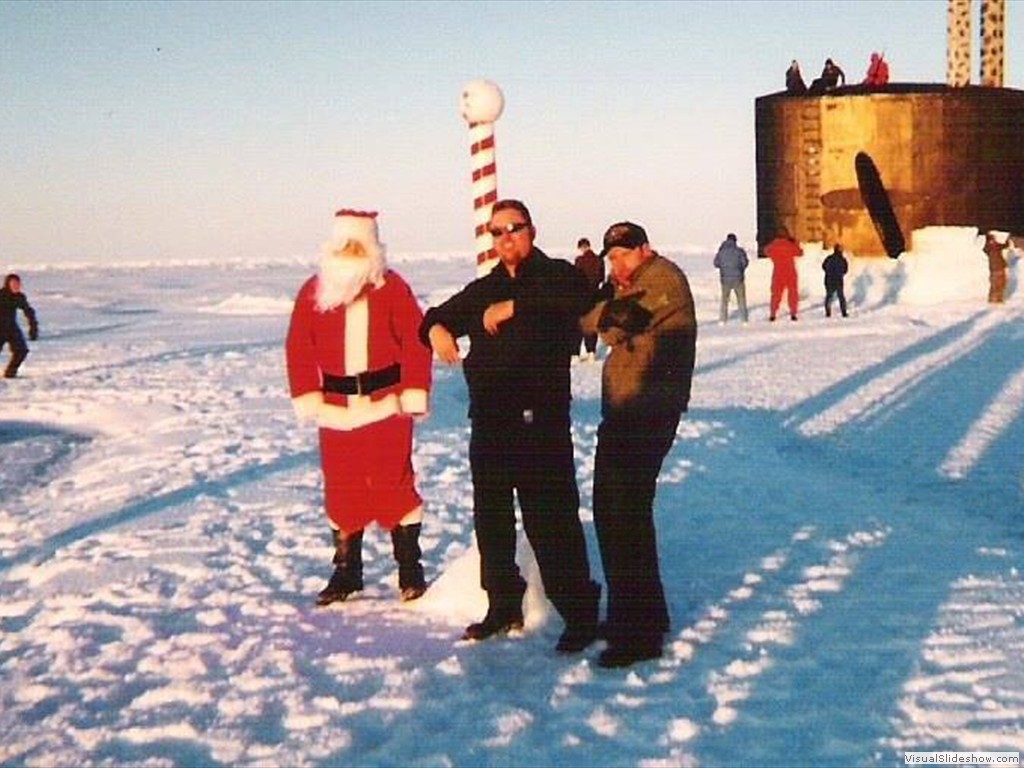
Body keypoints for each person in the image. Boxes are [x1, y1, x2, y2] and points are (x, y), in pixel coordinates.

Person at [419, 199, 601, 653]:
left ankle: (579, 612)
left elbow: (579, 300)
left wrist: (511, 307)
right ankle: (502, 604)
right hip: (491, 421)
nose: (505, 238)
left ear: (532, 231)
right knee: (493, 521)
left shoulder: (558, 275)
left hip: (540, 423)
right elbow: (437, 316)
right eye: (496, 232)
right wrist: (437, 330)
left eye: (513, 229)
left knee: (551, 519)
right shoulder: (486, 287)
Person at [286, 208, 433, 606]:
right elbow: (298, 347)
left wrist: (414, 392)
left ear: (372, 248)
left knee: (394, 483)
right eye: (343, 245)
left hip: (386, 406)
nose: (349, 252)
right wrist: (307, 395)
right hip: (335, 409)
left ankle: (409, 569)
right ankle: (347, 573)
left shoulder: (391, 287)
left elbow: (417, 342)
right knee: (342, 488)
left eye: (357, 245)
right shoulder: (314, 291)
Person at [580, 222, 697, 668]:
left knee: (623, 514)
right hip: (628, 409)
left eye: (624, 255)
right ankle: (642, 614)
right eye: (612, 257)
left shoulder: (662, 279)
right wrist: (601, 307)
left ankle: (639, 633)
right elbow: (595, 318)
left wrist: (602, 306)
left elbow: (608, 325)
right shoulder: (632, 283)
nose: (617, 263)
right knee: (615, 512)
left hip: (647, 411)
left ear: (644, 249)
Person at [1, 273, 39, 379]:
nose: (16, 286)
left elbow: (29, 312)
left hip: (11, 327)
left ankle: (10, 374)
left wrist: (33, 329)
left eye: (17, 284)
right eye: (13, 284)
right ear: (7, 284)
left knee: (21, 350)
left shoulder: (19, 297)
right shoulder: (1, 295)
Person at [574, 237, 605, 359]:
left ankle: (576, 353)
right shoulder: (599, 260)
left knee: (579, 324)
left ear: (581, 247)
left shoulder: (579, 260)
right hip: (595, 295)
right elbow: (601, 278)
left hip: (581, 295)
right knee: (592, 323)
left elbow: (575, 278)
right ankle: (591, 351)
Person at [764, 227, 803, 321]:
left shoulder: (774, 245)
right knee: (793, 293)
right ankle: (793, 313)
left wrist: (774, 242)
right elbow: (800, 252)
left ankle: (773, 313)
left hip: (778, 272)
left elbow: (766, 251)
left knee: (776, 294)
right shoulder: (790, 245)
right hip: (790, 272)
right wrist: (795, 242)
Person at [713, 233, 750, 323]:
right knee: (741, 300)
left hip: (725, 280)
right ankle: (744, 319)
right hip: (738, 279)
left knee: (724, 300)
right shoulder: (739, 251)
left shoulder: (721, 252)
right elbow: (745, 263)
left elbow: (716, 263)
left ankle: (723, 319)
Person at [822, 244, 849, 318]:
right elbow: (845, 270)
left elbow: (823, 266)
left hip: (829, 279)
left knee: (829, 296)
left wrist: (829, 272)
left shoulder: (829, 258)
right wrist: (840, 273)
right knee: (841, 296)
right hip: (838, 280)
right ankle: (844, 312)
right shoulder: (842, 259)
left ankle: (828, 312)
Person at [983, 232, 1008, 304]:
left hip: (997, 268)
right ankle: (994, 299)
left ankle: (996, 299)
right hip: (996, 268)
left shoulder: (990, 247)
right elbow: (1005, 245)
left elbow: (1005, 245)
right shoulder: (992, 247)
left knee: (999, 284)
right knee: (997, 284)